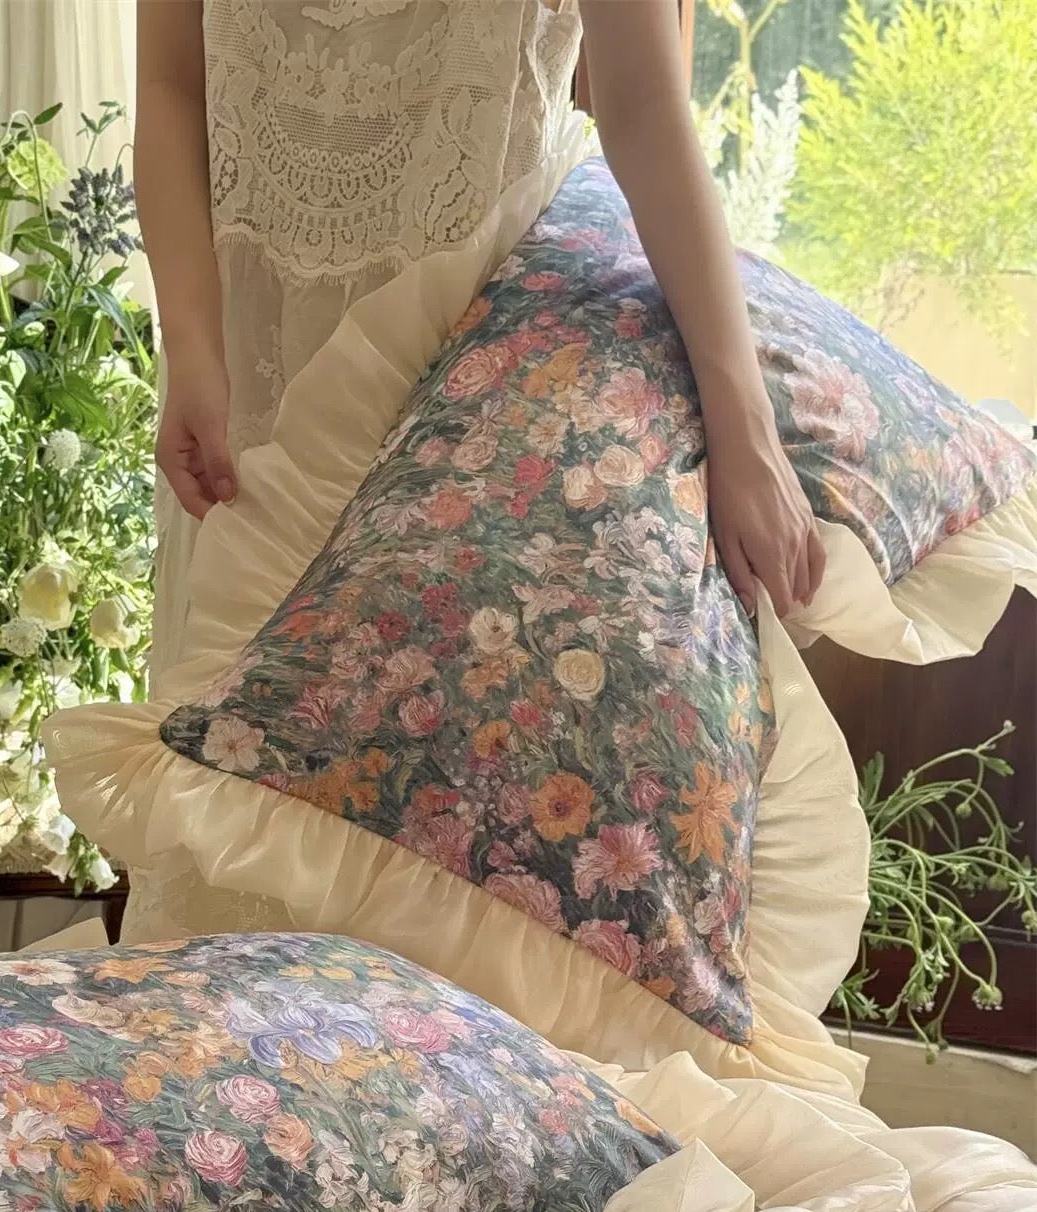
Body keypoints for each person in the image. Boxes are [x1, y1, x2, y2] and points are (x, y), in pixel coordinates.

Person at [130, 0, 824, 936]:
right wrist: (193, 345)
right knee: (235, 854)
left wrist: (748, 429)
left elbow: (646, 106)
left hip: (485, 411)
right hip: (252, 404)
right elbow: (171, 83)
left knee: (443, 875)